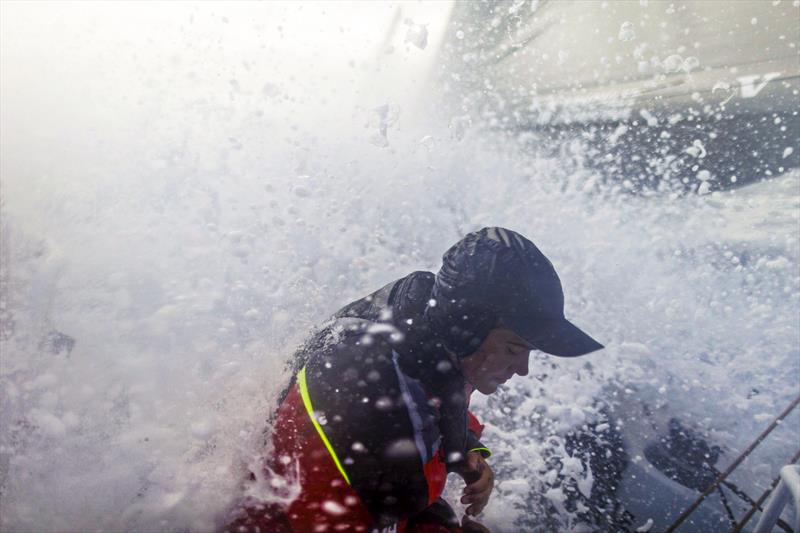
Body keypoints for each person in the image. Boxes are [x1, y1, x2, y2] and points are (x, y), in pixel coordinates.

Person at [226, 227, 603, 533]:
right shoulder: (368, 403)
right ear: (467, 327)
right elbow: (368, 502)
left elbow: (439, 400)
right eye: (513, 349)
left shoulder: (427, 327)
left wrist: (468, 451)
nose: (521, 369)